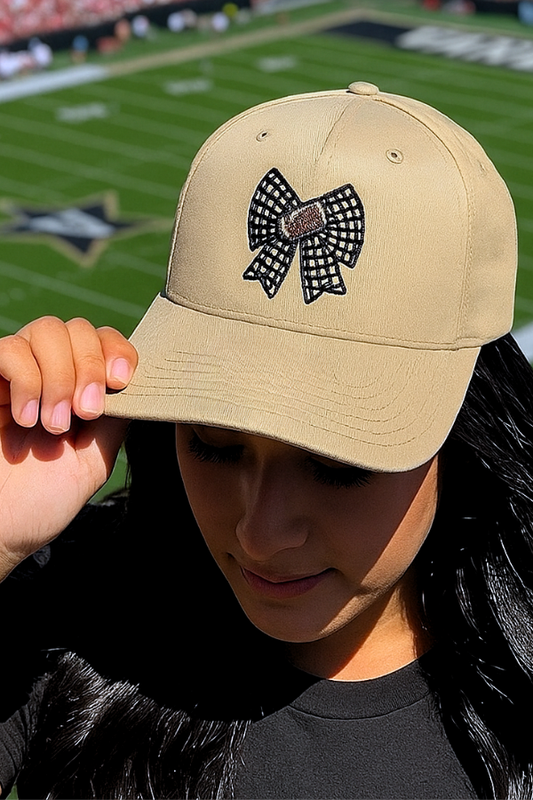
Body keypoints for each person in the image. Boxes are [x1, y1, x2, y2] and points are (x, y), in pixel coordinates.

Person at [0, 80, 530, 800]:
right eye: (213, 443)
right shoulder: (69, 617)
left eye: (339, 464)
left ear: (463, 432)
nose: (261, 531)